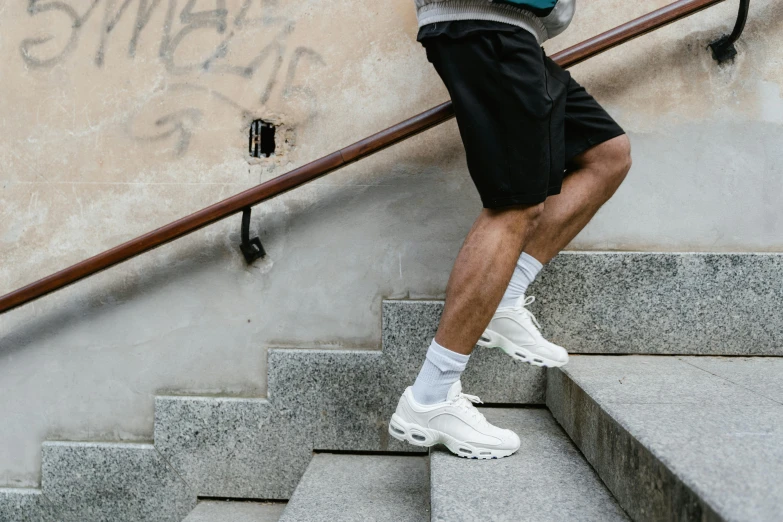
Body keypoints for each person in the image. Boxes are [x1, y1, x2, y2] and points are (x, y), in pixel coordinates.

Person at [388, 0, 632, 459]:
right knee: (515, 205)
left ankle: (505, 296)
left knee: (607, 153)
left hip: (513, 27)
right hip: (483, 21)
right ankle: (430, 396)